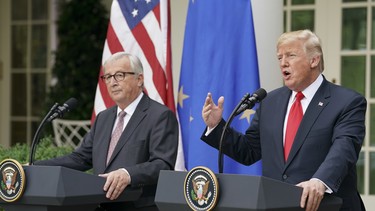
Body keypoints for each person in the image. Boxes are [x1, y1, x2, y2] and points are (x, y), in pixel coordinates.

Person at [201, 29, 366, 211]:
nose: (283, 63)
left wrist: (319, 181)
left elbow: (344, 149)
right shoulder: (270, 102)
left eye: (291, 55)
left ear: (314, 60)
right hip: (277, 205)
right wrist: (216, 126)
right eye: (279, 57)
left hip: (327, 206)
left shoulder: (346, 102)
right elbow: (249, 151)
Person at [36, 52, 179, 210]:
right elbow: (80, 158)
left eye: (119, 75)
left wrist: (128, 174)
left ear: (140, 79)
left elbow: (162, 164)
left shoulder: (160, 116)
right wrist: (34, 166)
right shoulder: (103, 118)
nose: (113, 82)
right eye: (108, 77)